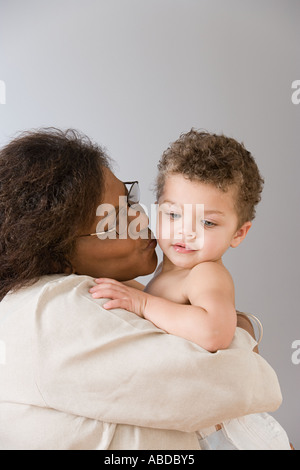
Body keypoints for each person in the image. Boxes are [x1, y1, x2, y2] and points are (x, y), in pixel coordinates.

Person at [0, 128, 282, 450]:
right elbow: (234, 379)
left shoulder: (161, 283)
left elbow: (216, 339)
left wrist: (148, 304)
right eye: (115, 218)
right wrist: (243, 329)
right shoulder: (52, 309)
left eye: (130, 199)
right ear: (58, 257)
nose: (139, 217)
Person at [90, 130, 290, 450]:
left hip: (233, 434)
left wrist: (141, 303)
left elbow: (214, 331)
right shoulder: (171, 273)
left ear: (238, 233)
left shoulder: (207, 274)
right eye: (173, 214)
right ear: (158, 209)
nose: (185, 231)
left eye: (208, 223)